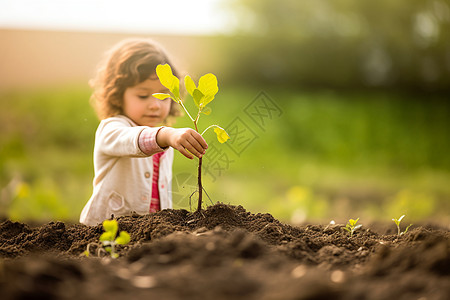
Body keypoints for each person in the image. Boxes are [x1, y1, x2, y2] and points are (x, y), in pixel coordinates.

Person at [80, 38, 208, 226]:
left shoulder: (165, 139)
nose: (155, 105)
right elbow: (130, 140)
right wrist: (165, 135)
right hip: (104, 231)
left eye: (164, 96)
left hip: (149, 232)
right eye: (143, 95)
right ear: (117, 95)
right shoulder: (111, 129)